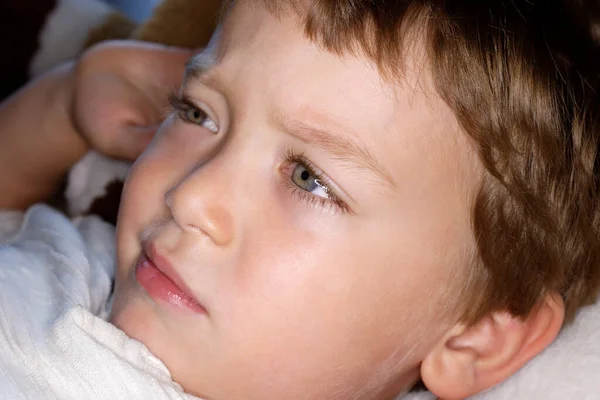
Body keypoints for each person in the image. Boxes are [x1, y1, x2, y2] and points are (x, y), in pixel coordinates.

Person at [0, 0, 599, 399]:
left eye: (309, 178)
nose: (192, 195)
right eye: (197, 111)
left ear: (476, 336)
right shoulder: (85, 260)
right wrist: (63, 108)